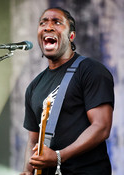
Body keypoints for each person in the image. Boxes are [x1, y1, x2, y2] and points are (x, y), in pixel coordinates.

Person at [20, 7, 114, 175]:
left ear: (71, 36)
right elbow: (33, 139)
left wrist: (59, 156)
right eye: (43, 23)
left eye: (56, 22)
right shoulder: (34, 86)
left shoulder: (91, 70)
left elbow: (101, 127)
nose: (48, 27)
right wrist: (27, 170)